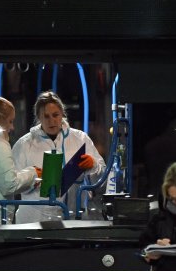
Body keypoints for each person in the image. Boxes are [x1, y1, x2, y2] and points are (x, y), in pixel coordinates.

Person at [12, 91, 106, 222]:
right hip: (34, 221)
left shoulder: (80, 139)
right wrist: (32, 178)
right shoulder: (24, 144)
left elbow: (103, 183)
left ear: (62, 113)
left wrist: (94, 165)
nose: (52, 120)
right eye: (46, 116)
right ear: (39, 117)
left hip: (74, 220)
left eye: (55, 115)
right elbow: (10, 184)